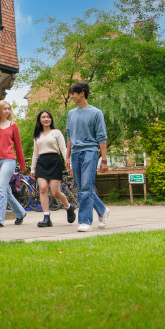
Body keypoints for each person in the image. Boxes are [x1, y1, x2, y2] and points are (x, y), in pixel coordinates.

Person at [65, 81, 110, 232]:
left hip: (90, 152)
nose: (71, 96)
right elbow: (69, 136)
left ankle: (85, 221)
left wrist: (104, 160)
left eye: (73, 93)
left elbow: (102, 137)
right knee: (83, 188)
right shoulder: (71, 114)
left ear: (82, 93)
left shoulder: (96, 113)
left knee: (85, 187)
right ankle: (102, 210)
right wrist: (67, 157)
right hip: (75, 153)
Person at [0, 100, 27, 227]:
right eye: (5, 108)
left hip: (9, 160)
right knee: (5, 190)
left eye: (9, 108)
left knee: (1, 189)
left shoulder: (13, 125)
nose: (7, 111)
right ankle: (20, 213)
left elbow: (18, 146)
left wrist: (22, 164)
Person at [31, 110, 76, 227]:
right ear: (39, 120)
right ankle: (46, 217)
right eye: (43, 117)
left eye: (48, 117)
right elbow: (35, 153)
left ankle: (69, 206)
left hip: (54, 162)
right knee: (43, 189)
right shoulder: (37, 135)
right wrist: (32, 169)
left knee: (55, 192)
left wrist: (69, 163)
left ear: (51, 119)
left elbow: (63, 148)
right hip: (41, 163)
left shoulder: (56, 133)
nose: (46, 119)